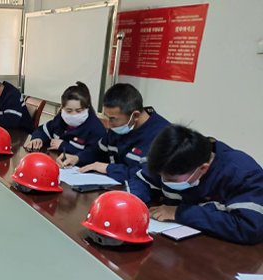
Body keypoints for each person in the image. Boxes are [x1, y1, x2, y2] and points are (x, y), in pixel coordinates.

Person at [132, 124, 263, 245]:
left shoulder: (243, 173)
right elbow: (142, 180)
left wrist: (179, 213)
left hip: (219, 252)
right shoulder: (172, 158)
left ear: (203, 168)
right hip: (171, 241)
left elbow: (249, 228)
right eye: (161, 176)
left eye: (171, 179)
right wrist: (133, 203)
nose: (163, 180)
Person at [58, 83, 170, 190]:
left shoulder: (163, 137)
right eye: (107, 117)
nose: (109, 124)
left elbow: (148, 176)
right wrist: (77, 158)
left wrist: (109, 168)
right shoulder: (119, 127)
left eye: (112, 119)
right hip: (112, 187)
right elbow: (98, 151)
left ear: (135, 115)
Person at [26, 82, 106, 161]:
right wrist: (38, 138)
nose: (73, 115)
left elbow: (93, 156)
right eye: (69, 111)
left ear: (87, 108)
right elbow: (43, 130)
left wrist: (64, 146)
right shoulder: (60, 120)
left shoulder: (96, 128)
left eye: (78, 111)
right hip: (57, 161)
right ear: (62, 108)